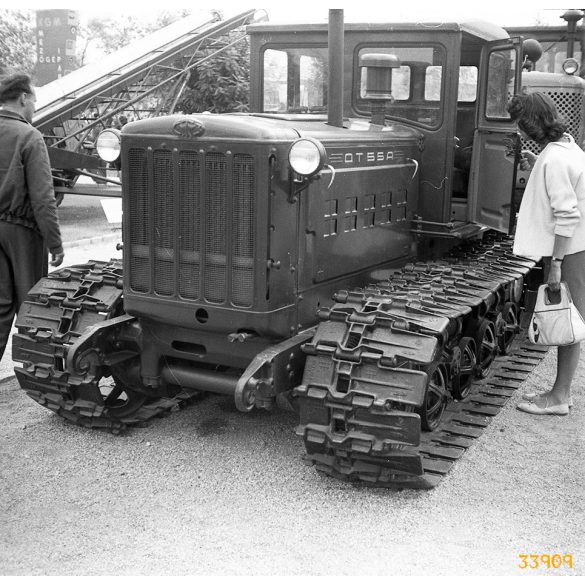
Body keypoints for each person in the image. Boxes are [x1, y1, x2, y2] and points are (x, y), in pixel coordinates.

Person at [508, 91, 585, 416]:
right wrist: (537, 161)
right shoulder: (567, 147)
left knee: (568, 320)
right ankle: (559, 392)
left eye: (521, 127)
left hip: (570, 250)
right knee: (571, 317)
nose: (520, 132)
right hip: (578, 246)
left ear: (531, 126)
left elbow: (567, 214)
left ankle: (559, 397)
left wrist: (555, 264)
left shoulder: (554, 159)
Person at [0, 73, 64, 362]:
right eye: (34, 100)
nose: (35, 107)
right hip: (21, 231)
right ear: (24, 98)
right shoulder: (29, 136)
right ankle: (40, 372)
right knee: (33, 305)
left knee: (0, 305)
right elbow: (42, 198)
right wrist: (55, 244)